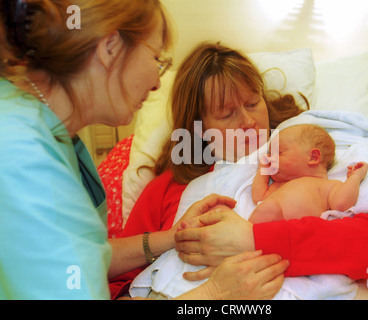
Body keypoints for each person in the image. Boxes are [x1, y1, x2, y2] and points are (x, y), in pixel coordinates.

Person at [0, 0, 288, 300]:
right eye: (157, 59)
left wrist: (174, 238)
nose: (156, 82)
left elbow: (79, 256)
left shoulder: (52, 137)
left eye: (252, 103)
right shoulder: (25, 161)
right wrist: (214, 295)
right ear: (110, 48)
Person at [116, 42, 368, 297]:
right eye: (227, 113)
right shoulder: (169, 188)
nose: (247, 121)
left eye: (252, 103)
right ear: (200, 128)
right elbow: (118, 282)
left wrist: (255, 240)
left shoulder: (310, 149)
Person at [249, 124, 368, 224]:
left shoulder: (327, 185)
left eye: (279, 153)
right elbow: (258, 197)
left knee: (268, 209)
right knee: (268, 209)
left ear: (313, 157)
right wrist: (262, 168)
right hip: (273, 229)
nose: (270, 159)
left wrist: (355, 177)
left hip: (304, 231)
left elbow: (341, 204)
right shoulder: (279, 186)